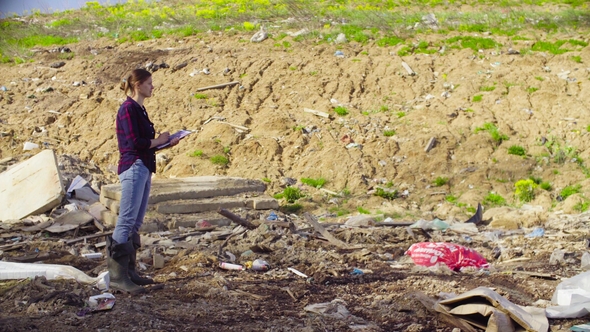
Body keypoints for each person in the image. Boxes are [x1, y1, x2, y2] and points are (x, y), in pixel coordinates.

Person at [107, 69, 179, 294]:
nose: (152, 87)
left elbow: (143, 142)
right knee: (126, 220)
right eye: (149, 83)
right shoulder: (128, 108)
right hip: (133, 166)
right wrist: (157, 140)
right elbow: (134, 142)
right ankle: (118, 277)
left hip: (144, 166)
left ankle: (130, 272)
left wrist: (163, 143)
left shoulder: (139, 109)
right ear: (137, 85)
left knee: (135, 222)